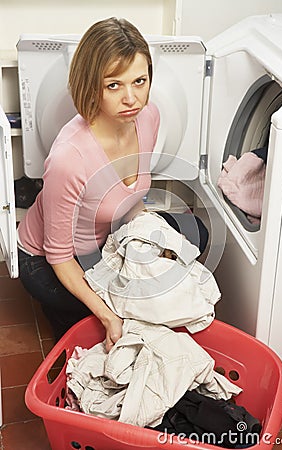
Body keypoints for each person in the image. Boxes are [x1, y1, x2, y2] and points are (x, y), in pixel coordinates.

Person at [17, 17, 208, 352]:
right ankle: (64, 309)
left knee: (194, 238)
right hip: (48, 259)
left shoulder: (148, 118)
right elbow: (59, 256)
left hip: (108, 235)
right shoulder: (69, 157)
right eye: (113, 85)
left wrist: (155, 244)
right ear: (91, 86)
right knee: (118, 314)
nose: (131, 98)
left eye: (140, 81)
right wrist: (108, 316)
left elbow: (133, 201)